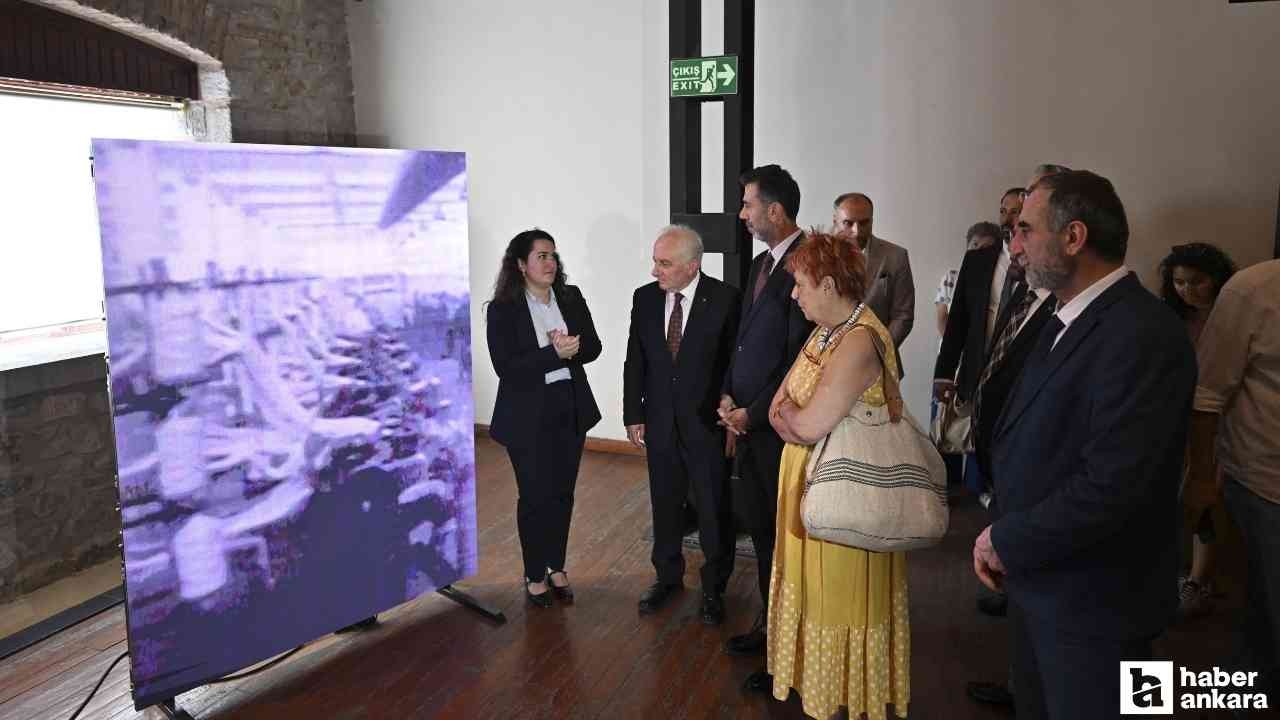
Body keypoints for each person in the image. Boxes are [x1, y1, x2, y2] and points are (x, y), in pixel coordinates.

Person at [973, 170, 1197, 719]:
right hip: (1046, 584)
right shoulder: (1065, 316)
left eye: (1026, 229)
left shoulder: (1142, 334)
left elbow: (1115, 486)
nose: (1015, 244)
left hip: (1099, 605)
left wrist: (1009, 536)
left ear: (1074, 237)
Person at [749, 231, 910, 720]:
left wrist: (789, 418)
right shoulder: (828, 332)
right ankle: (817, 688)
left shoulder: (859, 340)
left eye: (799, 283)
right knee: (814, 591)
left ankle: (839, 696)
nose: (793, 294)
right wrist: (788, 416)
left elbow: (806, 423)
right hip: (811, 487)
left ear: (827, 283)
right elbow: (780, 404)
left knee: (835, 598)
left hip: (844, 500)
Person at [624, 225, 741, 625]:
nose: (655, 270)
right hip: (658, 422)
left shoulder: (726, 300)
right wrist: (633, 414)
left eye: (664, 263)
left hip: (706, 424)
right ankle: (668, 578)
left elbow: (733, 365)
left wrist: (731, 419)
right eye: (655, 261)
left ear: (693, 266)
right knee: (665, 503)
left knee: (712, 508)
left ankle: (714, 587)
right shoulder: (644, 299)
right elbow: (635, 361)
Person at [720, 164, 814, 657]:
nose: (742, 215)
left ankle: (789, 642)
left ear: (774, 211)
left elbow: (798, 357)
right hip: (751, 423)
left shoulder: (809, 264)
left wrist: (753, 413)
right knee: (760, 529)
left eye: (748, 204)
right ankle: (770, 623)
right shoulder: (761, 265)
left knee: (784, 535)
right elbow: (743, 343)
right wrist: (727, 396)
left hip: (781, 428)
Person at [486, 228, 602, 607]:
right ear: (521, 265)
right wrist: (555, 354)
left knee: (563, 493)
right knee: (535, 495)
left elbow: (594, 346)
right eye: (541, 256)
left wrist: (574, 348)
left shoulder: (569, 296)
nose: (550, 263)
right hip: (526, 415)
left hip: (569, 405)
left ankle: (557, 565)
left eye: (553, 255)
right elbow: (506, 367)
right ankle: (534, 571)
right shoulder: (502, 309)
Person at [1185, 258, 1280, 701]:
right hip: (1266, 486)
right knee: (1266, 608)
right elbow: (1206, 396)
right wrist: (1202, 479)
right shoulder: (1255, 289)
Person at [1157, 242, 1237, 620]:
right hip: (1177, 418)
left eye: (1197, 281)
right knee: (1176, 498)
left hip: (1225, 422)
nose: (1187, 290)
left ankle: (1199, 580)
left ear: (1218, 280)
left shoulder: (1237, 315)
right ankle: (1177, 574)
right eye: (1179, 282)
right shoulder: (1169, 317)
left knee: (1207, 499)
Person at [831, 193, 915, 351]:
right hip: (826, 359)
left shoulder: (896, 256)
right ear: (835, 221)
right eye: (848, 223)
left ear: (872, 220)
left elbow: (903, 315)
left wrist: (879, 352)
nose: (856, 231)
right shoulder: (818, 258)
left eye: (864, 223)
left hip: (879, 362)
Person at [935, 221, 1002, 337]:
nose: (978, 251)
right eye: (975, 245)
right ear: (967, 247)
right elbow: (942, 320)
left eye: (985, 248)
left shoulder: (998, 283)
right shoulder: (951, 278)